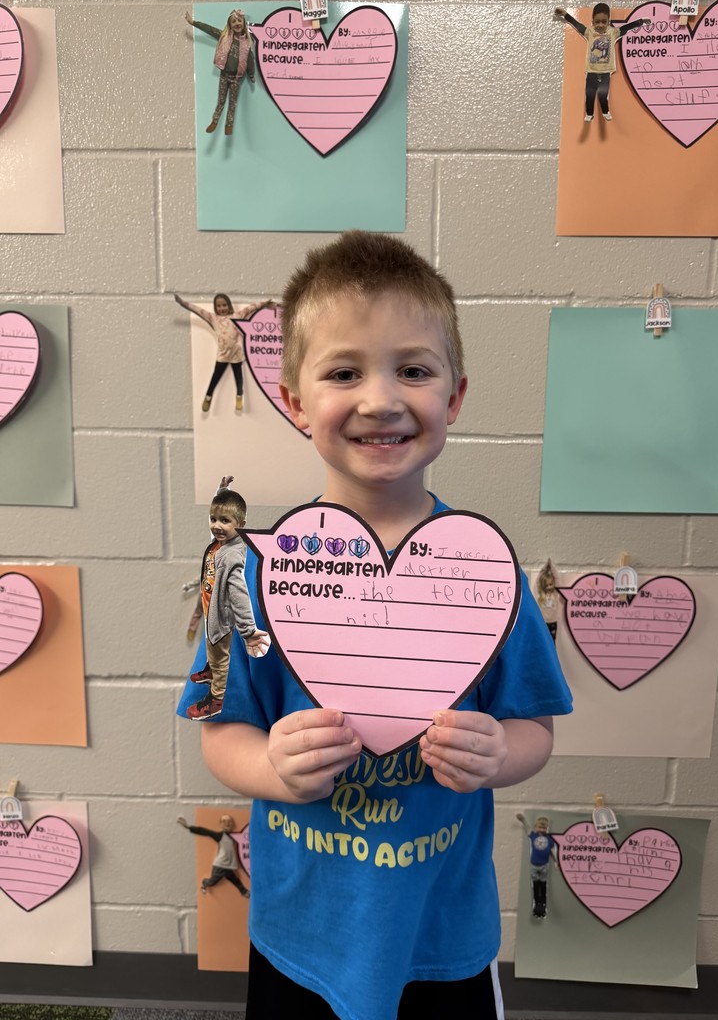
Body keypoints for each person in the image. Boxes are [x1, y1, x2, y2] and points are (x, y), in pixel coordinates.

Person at [177, 231, 573, 1020]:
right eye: (344, 372)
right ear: (294, 400)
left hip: (441, 932)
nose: (381, 398)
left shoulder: (483, 574)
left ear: (455, 397)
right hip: (302, 934)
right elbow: (220, 734)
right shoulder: (253, 573)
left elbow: (534, 725)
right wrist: (273, 769)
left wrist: (500, 753)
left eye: (415, 370)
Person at [187, 477, 270, 721]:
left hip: (222, 618)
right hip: (211, 609)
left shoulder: (233, 554)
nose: (216, 526)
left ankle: (216, 697)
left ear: (241, 525)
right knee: (212, 649)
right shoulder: (219, 543)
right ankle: (211, 667)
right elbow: (215, 519)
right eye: (214, 519)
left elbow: (239, 594)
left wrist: (247, 630)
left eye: (225, 521)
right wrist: (221, 492)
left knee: (220, 655)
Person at [174, 293, 273, 413]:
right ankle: (208, 397)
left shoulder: (237, 315)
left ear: (229, 305)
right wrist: (182, 303)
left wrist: (265, 303)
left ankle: (239, 397)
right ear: (215, 307)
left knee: (239, 378)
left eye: (224, 305)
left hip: (236, 354)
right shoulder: (213, 318)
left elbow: (251, 308)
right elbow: (197, 310)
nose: (222, 308)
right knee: (215, 377)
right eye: (219, 306)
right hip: (223, 355)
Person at [555, 4, 647, 122]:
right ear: (592, 21)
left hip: (606, 71)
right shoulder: (589, 32)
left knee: (603, 94)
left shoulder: (612, 32)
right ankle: (589, 113)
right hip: (592, 70)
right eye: (597, 22)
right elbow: (578, 25)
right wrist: (565, 15)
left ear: (608, 22)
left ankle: (605, 111)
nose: (600, 25)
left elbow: (626, 28)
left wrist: (641, 22)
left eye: (604, 22)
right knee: (589, 94)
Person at [185, 8, 255, 136]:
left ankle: (229, 124)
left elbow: (250, 60)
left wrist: (251, 75)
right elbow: (209, 29)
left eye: (239, 21)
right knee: (221, 100)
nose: (237, 23)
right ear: (230, 25)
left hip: (237, 78)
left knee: (232, 103)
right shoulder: (224, 36)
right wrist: (194, 22)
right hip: (224, 75)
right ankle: (215, 120)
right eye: (234, 21)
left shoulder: (247, 43)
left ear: (244, 23)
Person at [177, 814, 250, 897]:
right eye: (225, 822)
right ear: (221, 824)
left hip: (228, 865)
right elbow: (205, 832)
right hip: (220, 865)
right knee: (212, 881)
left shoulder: (232, 836)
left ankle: (244, 892)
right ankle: (205, 882)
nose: (228, 824)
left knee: (235, 880)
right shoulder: (219, 836)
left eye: (230, 822)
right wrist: (189, 827)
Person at [516, 813, 557, 918]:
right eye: (540, 826)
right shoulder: (533, 835)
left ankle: (543, 904)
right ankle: (536, 904)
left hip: (544, 865)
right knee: (535, 885)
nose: (542, 829)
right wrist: (523, 819)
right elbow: (527, 828)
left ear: (547, 828)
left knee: (543, 885)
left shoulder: (549, 839)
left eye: (544, 827)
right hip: (534, 865)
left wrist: (556, 861)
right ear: (536, 827)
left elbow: (553, 850)